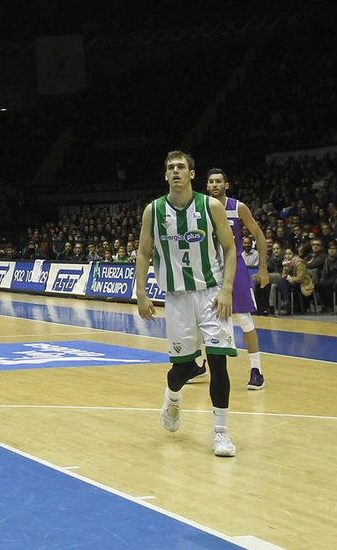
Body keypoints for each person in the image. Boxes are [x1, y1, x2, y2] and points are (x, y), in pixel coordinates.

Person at [134, 151, 239, 458]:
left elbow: (230, 250)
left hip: (211, 294)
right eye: (170, 168)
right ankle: (172, 398)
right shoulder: (153, 211)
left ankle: (221, 433)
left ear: (192, 174)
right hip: (177, 297)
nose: (176, 171)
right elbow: (143, 252)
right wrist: (141, 292)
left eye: (181, 167)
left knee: (219, 362)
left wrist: (227, 290)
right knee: (183, 369)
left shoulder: (211, 206)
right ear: (165, 175)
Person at [204, 169, 271, 389]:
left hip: (237, 266)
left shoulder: (237, 207)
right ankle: (197, 364)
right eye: (211, 182)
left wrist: (262, 268)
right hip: (212, 267)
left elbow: (259, 235)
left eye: (218, 181)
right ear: (207, 186)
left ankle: (256, 370)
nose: (215, 185)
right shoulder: (201, 208)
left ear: (226, 185)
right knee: (205, 318)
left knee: (244, 319)